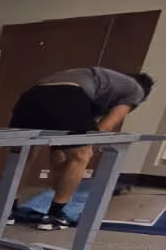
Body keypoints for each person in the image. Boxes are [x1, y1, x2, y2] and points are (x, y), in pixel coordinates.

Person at [8, 66, 153, 230]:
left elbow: (60, 145)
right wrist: (87, 147)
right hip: (67, 95)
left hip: (31, 97)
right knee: (81, 155)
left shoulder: (104, 81)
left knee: (23, 154)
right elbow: (104, 128)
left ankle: (7, 209)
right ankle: (54, 216)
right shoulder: (137, 91)